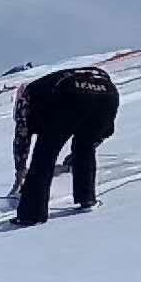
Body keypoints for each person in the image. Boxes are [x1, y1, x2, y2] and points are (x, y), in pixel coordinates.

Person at [10, 66, 119, 226]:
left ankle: (31, 214)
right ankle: (87, 199)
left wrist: (20, 171)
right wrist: (78, 155)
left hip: (70, 96)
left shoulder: (27, 97)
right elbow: (105, 131)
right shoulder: (44, 88)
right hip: (108, 94)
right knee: (85, 147)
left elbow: (22, 137)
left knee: (44, 155)